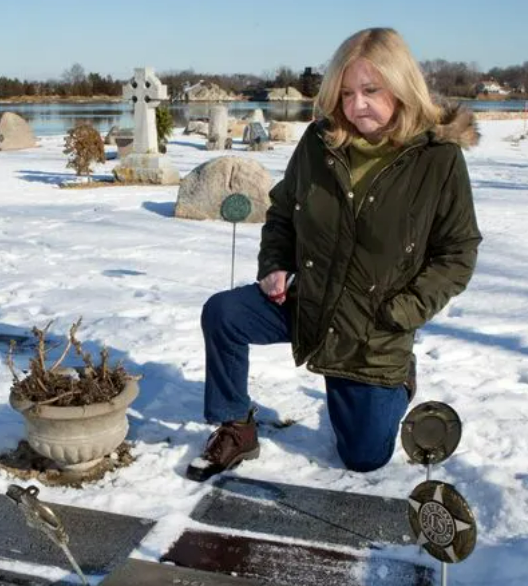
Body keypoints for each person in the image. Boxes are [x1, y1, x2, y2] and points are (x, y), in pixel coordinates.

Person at [188, 27, 481, 481]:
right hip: (309, 302)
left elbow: (458, 251)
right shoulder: (319, 144)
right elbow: (283, 213)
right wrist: (275, 266)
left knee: (364, 457)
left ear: (401, 87)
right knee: (224, 313)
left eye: (370, 91)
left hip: (373, 325)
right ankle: (236, 425)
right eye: (345, 93)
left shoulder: (437, 159)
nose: (356, 105)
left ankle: (400, 378)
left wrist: (403, 311)